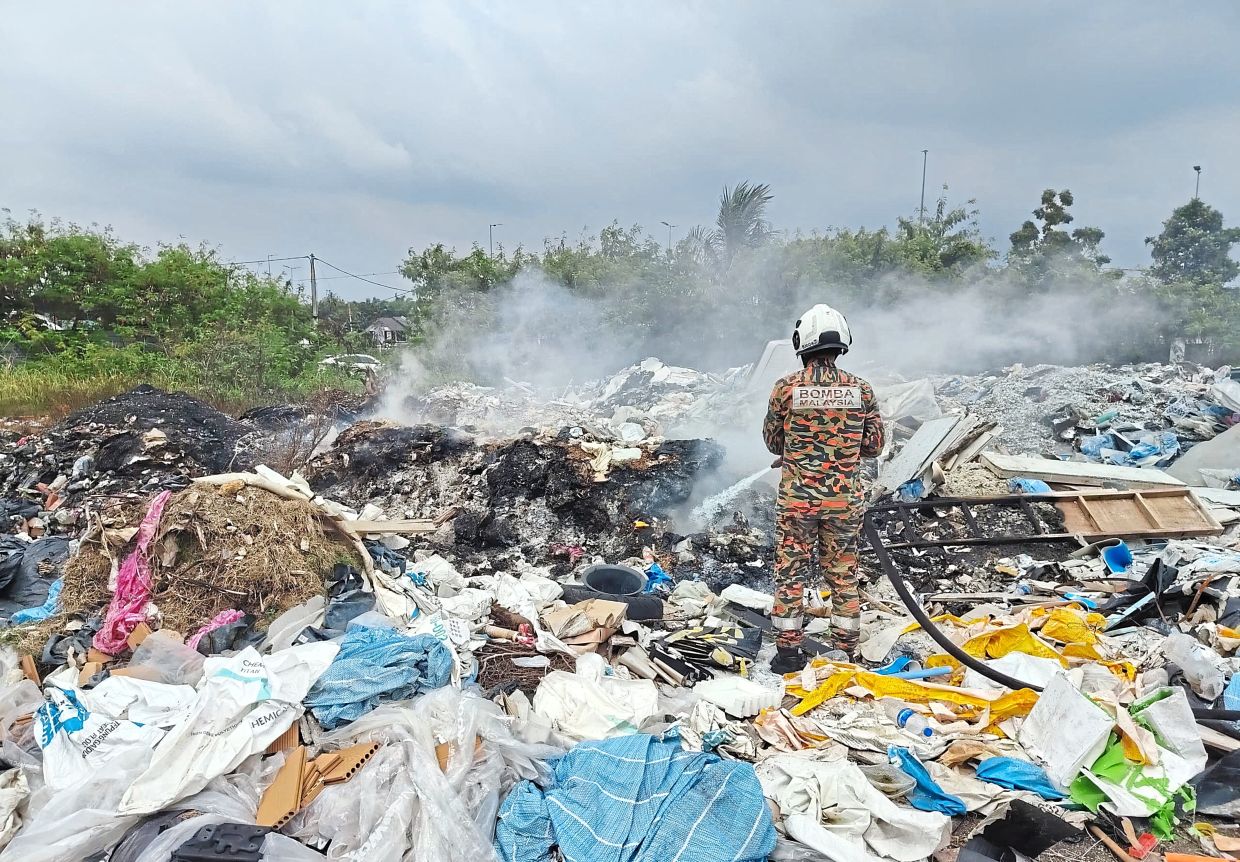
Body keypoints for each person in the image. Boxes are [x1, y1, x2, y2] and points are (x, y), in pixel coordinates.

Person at [762, 304, 885, 673]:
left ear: (802, 343)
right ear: (841, 341)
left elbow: (772, 441)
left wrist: (799, 451)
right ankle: (844, 655)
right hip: (844, 503)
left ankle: (788, 656)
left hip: (797, 502)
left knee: (790, 573)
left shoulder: (786, 388)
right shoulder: (861, 390)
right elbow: (874, 446)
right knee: (843, 573)